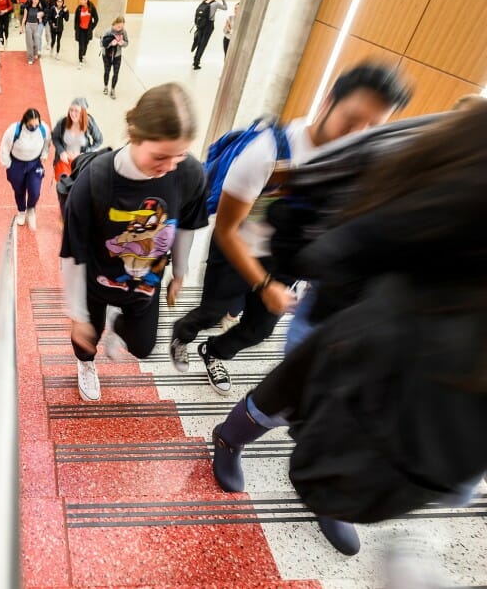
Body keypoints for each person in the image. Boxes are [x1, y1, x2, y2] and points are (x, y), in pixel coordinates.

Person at [210, 102, 487, 556]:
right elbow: (314, 241)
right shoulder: (423, 164)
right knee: (292, 396)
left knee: (348, 417)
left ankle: (329, 487)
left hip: (423, 354)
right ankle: (231, 435)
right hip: (348, 321)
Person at [170, 62, 413, 395]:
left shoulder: (354, 164)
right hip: (236, 249)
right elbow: (226, 230)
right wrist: (264, 284)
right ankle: (182, 334)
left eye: (371, 127)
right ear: (328, 101)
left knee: (259, 330)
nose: (358, 134)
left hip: (284, 260)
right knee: (213, 311)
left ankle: (213, 352)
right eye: (352, 120)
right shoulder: (268, 152)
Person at [60, 83, 207, 403]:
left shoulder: (190, 173)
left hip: (146, 280)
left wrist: (180, 272)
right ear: (134, 134)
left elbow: (186, 224)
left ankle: (118, 321)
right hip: (97, 280)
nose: (170, 167)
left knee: (142, 347)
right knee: (85, 341)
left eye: (179, 154)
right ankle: (86, 365)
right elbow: (72, 252)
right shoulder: (95, 181)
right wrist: (77, 314)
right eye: (160, 156)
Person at [0, 108, 50, 231]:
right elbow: (5, 146)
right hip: (17, 164)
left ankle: (31, 208)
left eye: (36, 124)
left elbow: (47, 141)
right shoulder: (14, 130)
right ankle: (21, 210)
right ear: (25, 122)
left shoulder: (43, 128)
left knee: (35, 190)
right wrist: (7, 164)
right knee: (19, 190)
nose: (34, 127)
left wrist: (44, 154)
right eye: (31, 125)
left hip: (34, 164)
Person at [51, 97, 103, 214]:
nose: (73, 114)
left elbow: (99, 140)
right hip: (63, 162)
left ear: (83, 112)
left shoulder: (89, 124)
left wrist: (85, 152)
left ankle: (74, 210)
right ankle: (64, 212)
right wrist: (61, 151)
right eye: (71, 110)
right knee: (63, 188)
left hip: (80, 162)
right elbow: (55, 137)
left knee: (76, 189)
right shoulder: (63, 122)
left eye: (76, 111)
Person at [191, 0, 227, 69]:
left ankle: (195, 59)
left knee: (200, 43)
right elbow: (225, 8)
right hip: (208, 25)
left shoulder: (205, 1)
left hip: (200, 25)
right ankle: (196, 62)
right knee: (203, 44)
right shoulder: (215, 3)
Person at [101, 16, 130, 99]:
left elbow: (127, 42)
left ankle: (113, 89)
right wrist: (110, 43)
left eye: (122, 27)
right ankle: (106, 86)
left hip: (117, 55)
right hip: (106, 55)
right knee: (107, 71)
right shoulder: (108, 31)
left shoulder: (123, 32)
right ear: (115, 23)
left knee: (116, 73)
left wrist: (122, 43)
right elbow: (102, 43)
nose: (120, 28)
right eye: (119, 26)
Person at [73, 0, 99, 68]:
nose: (80, 1)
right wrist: (76, 29)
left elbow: (96, 19)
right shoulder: (79, 8)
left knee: (86, 45)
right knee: (81, 46)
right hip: (80, 30)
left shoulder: (91, 7)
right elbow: (76, 20)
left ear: (86, 0)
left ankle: (83, 55)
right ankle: (80, 61)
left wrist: (91, 28)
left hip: (87, 30)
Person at [21, 0, 46, 65]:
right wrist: (22, 27)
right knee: (29, 43)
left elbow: (42, 17)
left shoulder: (39, 8)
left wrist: (41, 17)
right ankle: (30, 58)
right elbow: (24, 18)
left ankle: (35, 52)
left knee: (36, 42)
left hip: (36, 26)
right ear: (32, 0)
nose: (36, 1)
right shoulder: (28, 8)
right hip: (28, 25)